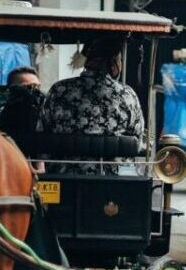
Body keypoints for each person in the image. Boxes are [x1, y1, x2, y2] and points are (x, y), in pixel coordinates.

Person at [39, 36, 144, 170]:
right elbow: (137, 141)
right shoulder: (127, 95)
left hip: (64, 177)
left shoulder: (58, 90)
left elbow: (43, 136)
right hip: (114, 180)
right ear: (114, 62)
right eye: (120, 60)